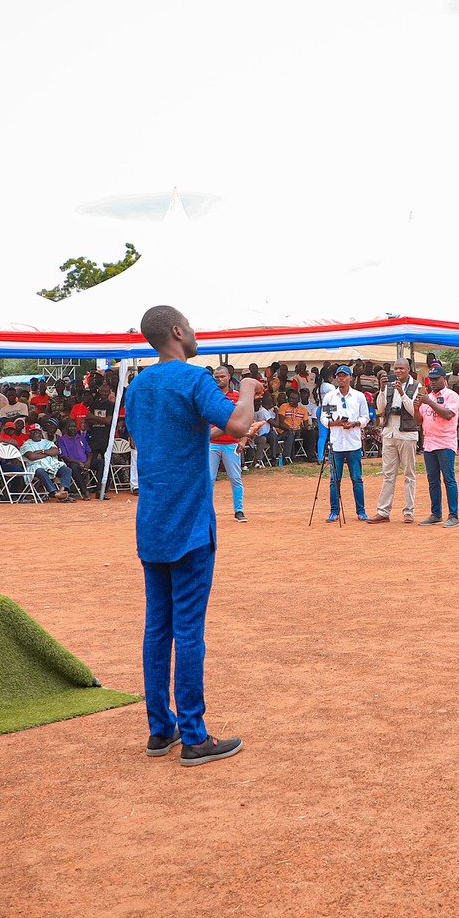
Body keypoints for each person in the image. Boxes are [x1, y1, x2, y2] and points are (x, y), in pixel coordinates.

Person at [122, 304, 257, 766]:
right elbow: (236, 425)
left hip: (152, 520)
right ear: (178, 331)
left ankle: (162, 730)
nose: (196, 333)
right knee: (189, 629)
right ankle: (196, 736)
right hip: (190, 523)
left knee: (157, 627)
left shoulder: (137, 387)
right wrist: (249, 392)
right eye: (192, 327)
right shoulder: (196, 378)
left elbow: (147, 441)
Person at [372, 359, 422, 524]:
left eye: (401, 368)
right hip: (389, 433)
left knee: (409, 474)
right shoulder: (389, 385)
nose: (398, 371)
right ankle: (383, 511)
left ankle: (409, 511)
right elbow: (381, 408)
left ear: (408, 369)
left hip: (407, 434)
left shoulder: (416, 386)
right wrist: (382, 389)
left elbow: (412, 410)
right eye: (396, 369)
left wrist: (402, 393)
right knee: (388, 474)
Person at [321, 365, 369, 522]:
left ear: (351, 378)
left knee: (357, 479)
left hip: (353, 443)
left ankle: (361, 511)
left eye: (344, 376)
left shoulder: (358, 396)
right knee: (335, 480)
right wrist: (335, 424)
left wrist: (354, 423)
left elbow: (365, 417)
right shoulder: (329, 396)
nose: (341, 378)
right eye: (339, 376)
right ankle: (334, 511)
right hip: (336, 444)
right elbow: (324, 418)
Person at [416, 363, 459, 526]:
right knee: (432, 480)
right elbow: (418, 421)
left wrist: (429, 401)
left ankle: (453, 515)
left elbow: (448, 414)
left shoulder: (451, 396)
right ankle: (436, 514)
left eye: (436, 379)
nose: (432, 382)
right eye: (430, 380)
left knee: (449, 479)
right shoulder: (428, 397)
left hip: (445, 443)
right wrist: (416, 408)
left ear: (445, 379)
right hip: (429, 444)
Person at [208, 364, 246, 521]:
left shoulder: (237, 396)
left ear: (229, 376)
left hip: (231, 443)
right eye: (216, 377)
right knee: (209, 479)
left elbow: (244, 419)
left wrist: (243, 440)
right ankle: (207, 512)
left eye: (222, 376)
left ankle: (239, 510)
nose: (219, 379)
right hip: (212, 443)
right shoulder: (210, 396)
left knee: (235, 478)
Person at [21, 424, 78, 500]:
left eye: (37, 431)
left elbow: (56, 451)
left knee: (67, 470)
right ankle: (53, 492)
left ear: (41, 433)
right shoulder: (27, 444)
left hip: (52, 465)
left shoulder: (47, 442)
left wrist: (42, 451)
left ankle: (62, 491)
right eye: (33, 432)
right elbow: (31, 456)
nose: (35, 433)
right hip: (36, 466)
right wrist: (48, 453)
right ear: (29, 433)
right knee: (40, 471)